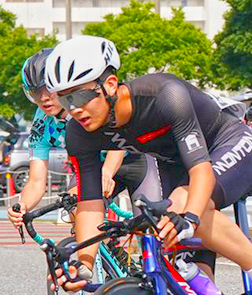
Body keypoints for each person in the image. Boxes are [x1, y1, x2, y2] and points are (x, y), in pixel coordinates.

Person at [45, 36, 252, 295]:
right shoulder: (79, 132)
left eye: (82, 95)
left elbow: (200, 171)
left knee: (190, 205)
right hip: (176, 166)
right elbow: (89, 202)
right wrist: (84, 263)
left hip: (226, 144)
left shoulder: (164, 95)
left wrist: (189, 217)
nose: (76, 110)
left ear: (110, 84)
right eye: (66, 100)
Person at [8, 47, 159, 228]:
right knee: (75, 209)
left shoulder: (88, 102)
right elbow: (36, 180)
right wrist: (22, 206)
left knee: (152, 227)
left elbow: (118, 140)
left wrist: (107, 172)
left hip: (134, 158)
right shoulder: (42, 123)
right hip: (92, 165)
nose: (43, 99)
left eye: (48, 89)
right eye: (35, 93)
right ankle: (109, 248)